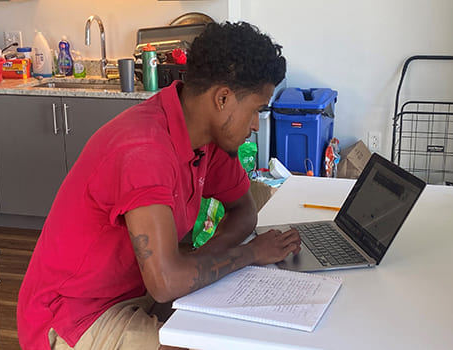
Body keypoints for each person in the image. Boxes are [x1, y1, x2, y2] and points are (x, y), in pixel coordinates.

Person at [17, 21, 299, 350]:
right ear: (222, 98)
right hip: (75, 315)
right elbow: (166, 284)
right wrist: (249, 253)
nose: (254, 126)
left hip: (139, 291)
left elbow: (243, 211)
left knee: (234, 327)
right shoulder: (145, 153)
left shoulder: (207, 139)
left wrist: (195, 266)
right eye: (255, 111)